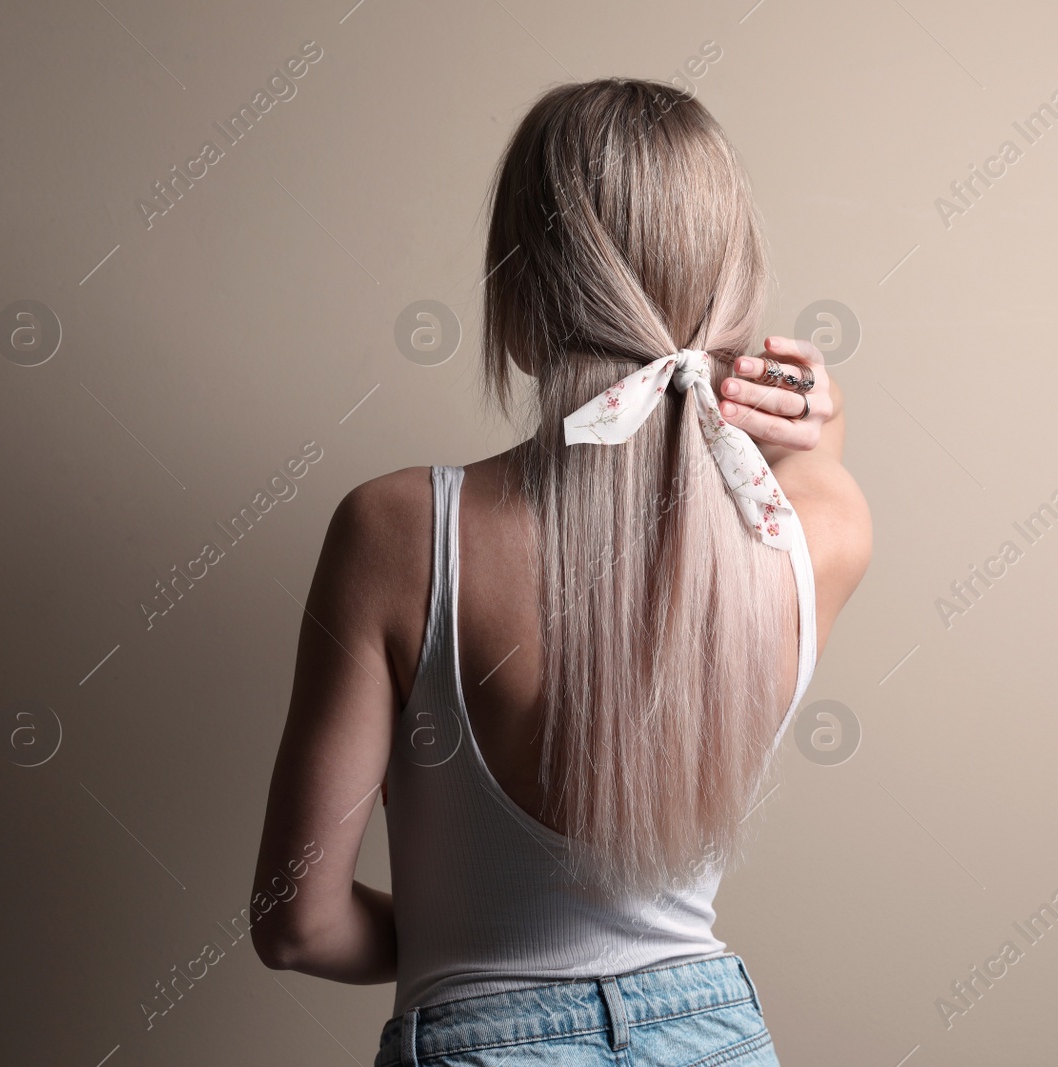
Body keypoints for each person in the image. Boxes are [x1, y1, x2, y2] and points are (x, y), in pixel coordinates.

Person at [249, 77, 872, 1066]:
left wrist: (481, 935)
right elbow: (819, 446)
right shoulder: (818, 534)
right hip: (715, 1031)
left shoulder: (399, 532)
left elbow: (297, 925)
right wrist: (795, 396)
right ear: (737, 297)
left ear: (515, 302)